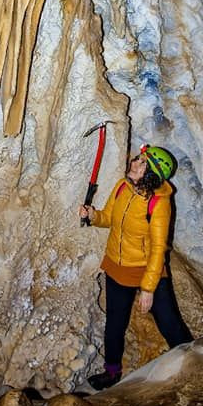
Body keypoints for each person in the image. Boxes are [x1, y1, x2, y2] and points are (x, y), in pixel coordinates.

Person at [79, 143, 192, 390]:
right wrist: (93, 216)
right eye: (138, 159)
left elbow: (158, 249)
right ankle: (111, 372)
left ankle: (193, 364)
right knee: (115, 323)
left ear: (151, 175)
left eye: (142, 164)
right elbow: (109, 217)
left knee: (169, 323)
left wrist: (149, 289)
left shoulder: (159, 204)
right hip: (118, 266)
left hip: (147, 269)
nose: (134, 164)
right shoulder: (122, 187)